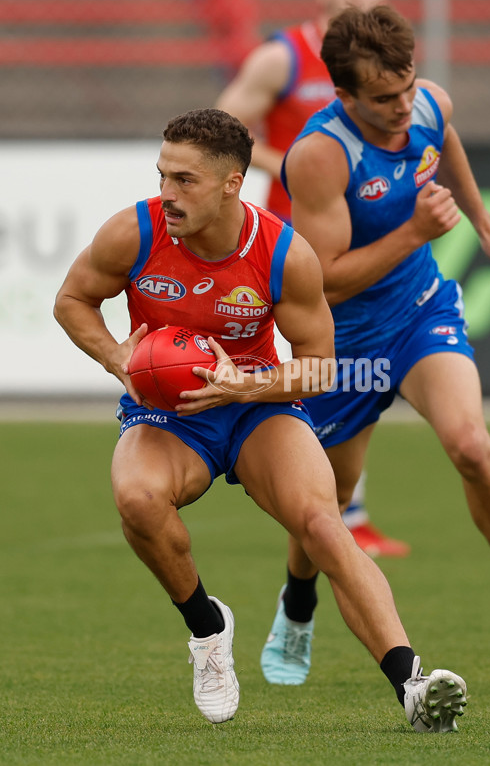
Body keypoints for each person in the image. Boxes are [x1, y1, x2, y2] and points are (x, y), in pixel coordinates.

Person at [53, 108, 468, 732]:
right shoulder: (134, 232)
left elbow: (320, 370)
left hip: (257, 406)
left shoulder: (283, 254)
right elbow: (72, 300)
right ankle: (208, 631)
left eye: (184, 180)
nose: (166, 192)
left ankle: (411, 684)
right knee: (137, 499)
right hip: (167, 414)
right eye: (162, 174)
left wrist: (246, 385)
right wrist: (121, 359)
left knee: (323, 525)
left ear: (231, 184)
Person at [260, 6, 490, 687]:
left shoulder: (429, 104)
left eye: (408, 87)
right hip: (344, 339)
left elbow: (451, 147)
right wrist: (414, 232)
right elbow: (325, 283)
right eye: (384, 99)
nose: (404, 107)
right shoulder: (320, 156)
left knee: (471, 443)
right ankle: (296, 607)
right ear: (344, 96)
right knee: (328, 498)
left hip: (419, 312)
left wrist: (486, 225)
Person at [215, 0, 409, 557]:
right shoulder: (283, 57)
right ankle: (309, 499)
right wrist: (286, 159)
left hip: (358, 240)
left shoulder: (384, 68)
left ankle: (347, 509)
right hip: (289, 248)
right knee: (311, 372)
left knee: (351, 373)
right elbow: (222, 130)